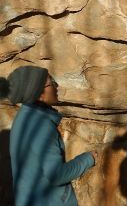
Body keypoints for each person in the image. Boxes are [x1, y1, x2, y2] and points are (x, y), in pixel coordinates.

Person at [0, 65, 95, 206]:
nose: (56, 86)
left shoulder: (23, 117)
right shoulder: (41, 126)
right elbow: (56, 175)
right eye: (51, 83)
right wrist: (88, 159)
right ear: (39, 94)